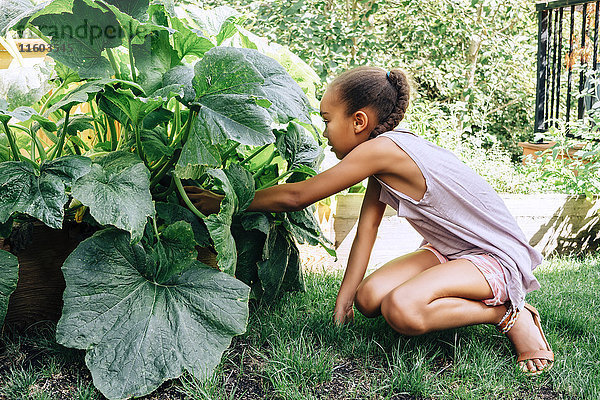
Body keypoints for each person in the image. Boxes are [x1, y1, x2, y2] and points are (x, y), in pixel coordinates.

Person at [184, 66, 554, 376]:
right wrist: (345, 298)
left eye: (327, 119)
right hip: (450, 252)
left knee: (402, 310)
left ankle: (508, 314)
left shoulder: (382, 150)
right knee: (369, 299)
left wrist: (229, 200)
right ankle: (467, 298)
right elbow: (367, 230)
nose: (324, 130)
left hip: (493, 257)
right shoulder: (385, 151)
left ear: (359, 120)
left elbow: (299, 195)